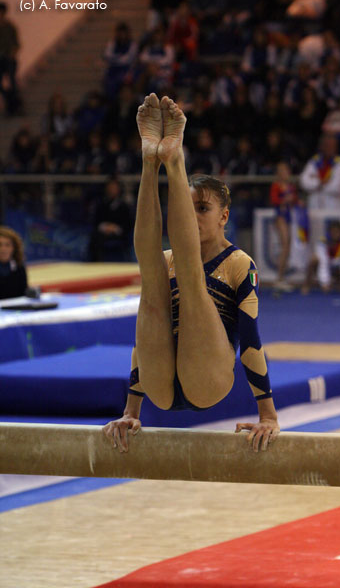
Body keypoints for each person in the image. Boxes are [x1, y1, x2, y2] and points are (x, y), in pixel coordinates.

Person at [103, 93, 279, 453]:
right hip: (160, 386)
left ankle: (174, 159)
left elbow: (250, 341)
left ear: (224, 216)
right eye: (190, 208)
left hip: (208, 380)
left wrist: (268, 416)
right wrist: (131, 410)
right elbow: (143, 344)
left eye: (203, 208)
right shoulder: (167, 259)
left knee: (190, 278)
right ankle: (150, 161)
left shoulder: (239, 263)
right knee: (152, 281)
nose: (196, 216)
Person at [301, 220, 340, 294]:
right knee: (313, 260)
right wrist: (325, 282)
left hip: (338, 267)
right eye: (333, 232)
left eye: (337, 232)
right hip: (326, 266)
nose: (335, 234)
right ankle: (307, 284)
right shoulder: (323, 242)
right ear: (330, 232)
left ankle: (339, 283)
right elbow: (323, 262)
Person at [88, 176, 132, 262]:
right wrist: (104, 227)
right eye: (110, 187)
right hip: (103, 232)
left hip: (119, 233)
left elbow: (129, 223)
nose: (112, 189)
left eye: (114, 187)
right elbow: (96, 221)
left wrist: (115, 228)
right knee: (96, 237)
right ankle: (96, 262)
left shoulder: (124, 206)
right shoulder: (101, 204)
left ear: (119, 189)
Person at [299, 134, 340, 211]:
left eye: (332, 146)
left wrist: (315, 182)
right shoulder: (314, 162)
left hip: (333, 206)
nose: (329, 148)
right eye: (327, 145)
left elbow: (336, 187)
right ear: (321, 147)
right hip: (314, 206)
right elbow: (304, 182)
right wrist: (321, 182)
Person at [269, 162, 296, 292]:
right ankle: (279, 278)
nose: (285, 173)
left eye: (286, 171)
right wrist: (286, 199)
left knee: (288, 246)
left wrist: (295, 200)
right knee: (284, 245)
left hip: (287, 215)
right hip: (280, 216)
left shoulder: (290, 186)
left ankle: (282, 277)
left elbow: (294, 198)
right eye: (282, 171)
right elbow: (274, 200)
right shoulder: (276, 186)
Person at [0, 2, 21, 116]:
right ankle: (9, 100)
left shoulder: (10, 27)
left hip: (8, 59)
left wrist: (12, 53)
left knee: (12, 83)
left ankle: (13, 104)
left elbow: (16, 44)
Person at [0, 226, 28, 299]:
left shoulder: (19, 268)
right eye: (0, 245)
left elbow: (24, 294)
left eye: (7, 245)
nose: (3, 249)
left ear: (14, 248)